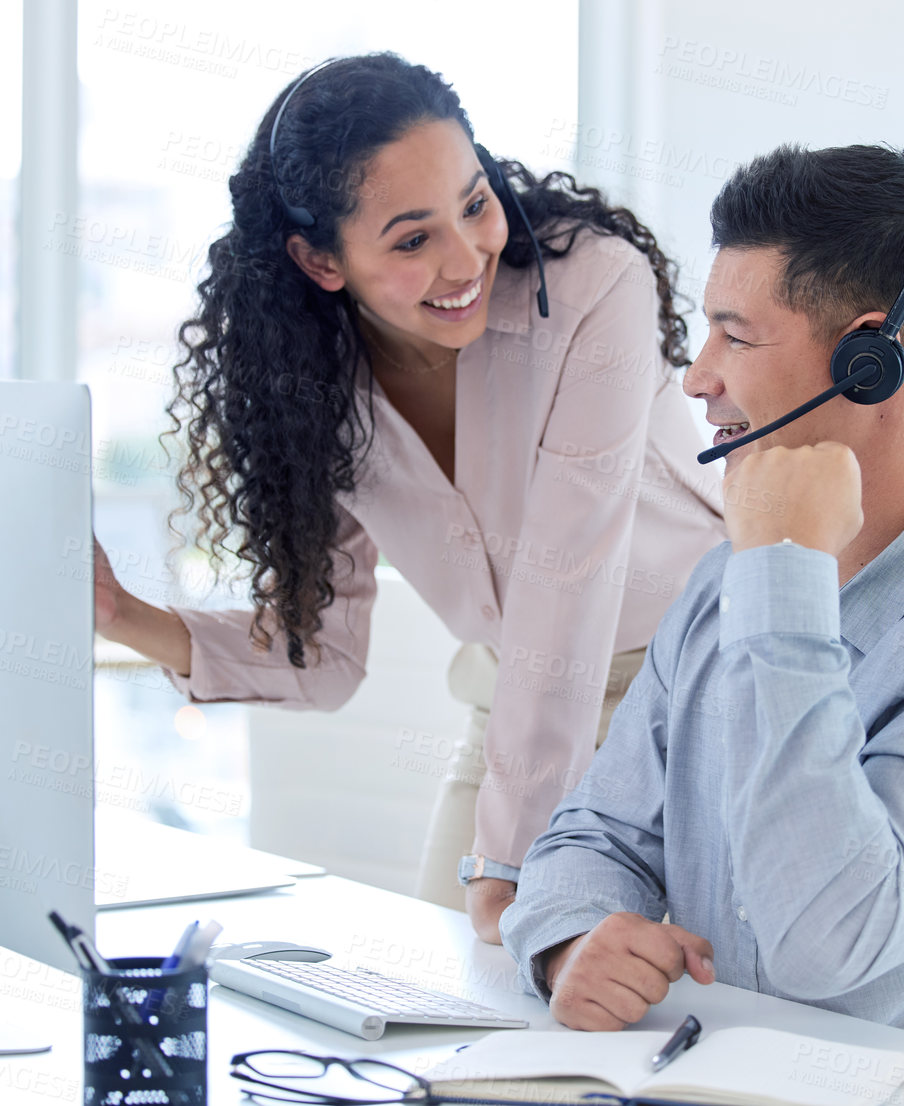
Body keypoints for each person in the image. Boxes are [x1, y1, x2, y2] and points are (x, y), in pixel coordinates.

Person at [499, 144, 904, 1072]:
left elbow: (828, 938)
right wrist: (568, 942)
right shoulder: (725, 584)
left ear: (871, 361)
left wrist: (785, 575)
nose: (696, 378)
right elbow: (595, 832)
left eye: (735, 338)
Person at [93, 53, 724, 941]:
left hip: (697, 695)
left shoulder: (592, 284)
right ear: (319, 260)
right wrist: (121, 614)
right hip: (514, 705)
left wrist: (507, 864)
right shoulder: (313, 385)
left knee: (644, 1018)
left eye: (474, 204)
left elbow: (564, 577)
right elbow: (322, 658)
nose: (467, 257)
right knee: (446, 1007)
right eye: (411, 239)